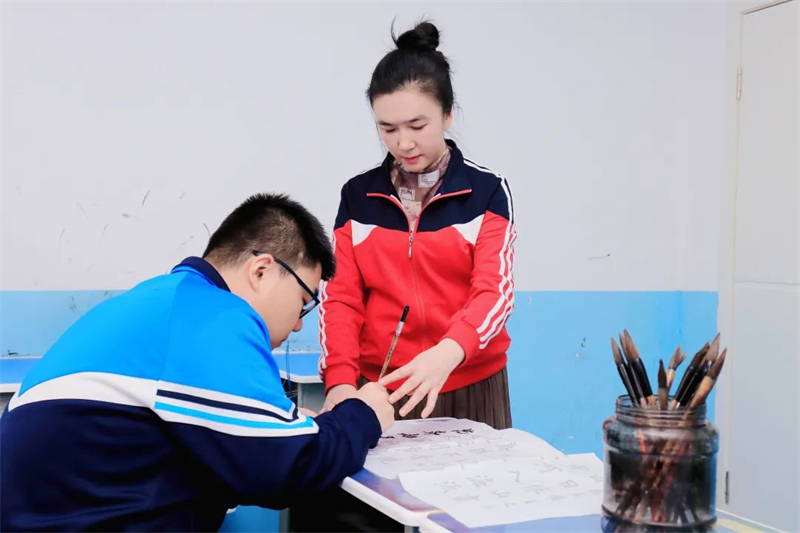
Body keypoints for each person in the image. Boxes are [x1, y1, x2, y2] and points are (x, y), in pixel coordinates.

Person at [0, 193, 395, 532]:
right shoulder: (214, 316)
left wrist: (281, 424)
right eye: (303, 302)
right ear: (261, 270)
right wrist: (363, 415)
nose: (296, 324)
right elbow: (287, 467)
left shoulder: (168, 298)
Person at [319, 20, 516, 429]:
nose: (403, 143)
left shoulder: (487, 191)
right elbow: (340, 298)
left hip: (468, 380)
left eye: (417, 126)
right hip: (380, 388)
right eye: (387, 129)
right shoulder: (357, 197)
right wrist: (339, 381)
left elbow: (494, 291)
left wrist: (448, 352)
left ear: (447, 114)